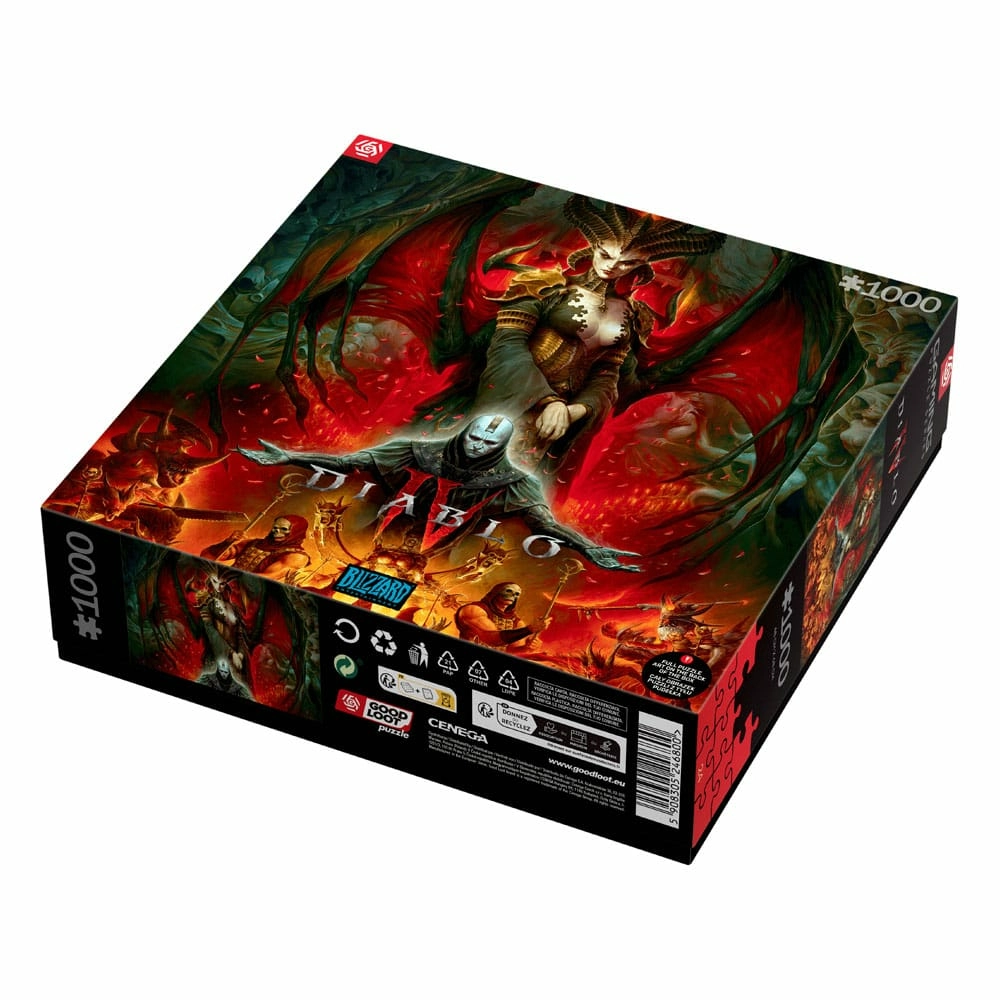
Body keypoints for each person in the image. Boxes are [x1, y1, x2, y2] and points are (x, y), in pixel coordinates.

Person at [474, 194, 724, 478]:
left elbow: (607, 374)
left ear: (642, 265)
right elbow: (506, 346)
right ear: (594, 246)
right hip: (509, 399)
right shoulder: (543, 286)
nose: (613, 266)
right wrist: (548, 401)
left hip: (560, 424)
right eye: (606, 254)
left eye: (628, 263)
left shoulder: (632, 315)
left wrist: (577, 410)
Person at [238, 414, 639, 572]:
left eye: (489, 442)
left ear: (500, 446)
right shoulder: (413, 450)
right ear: (465, 433)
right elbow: (349, 463)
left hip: (436, 560)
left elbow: (544, 525)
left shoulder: (514, 482)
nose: (478, 445)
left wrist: (588, 549)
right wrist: (289, 457)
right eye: (475, 437)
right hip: (370, 542)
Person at [202, 514, 310, 581]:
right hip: (225, 583)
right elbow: (207, 556)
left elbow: (266, 578)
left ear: (296, 532)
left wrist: (226, 577)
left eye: (284, 529)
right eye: (275, 528)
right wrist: (227, 542)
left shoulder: (297, 557)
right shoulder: (253, 543)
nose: (277, 531)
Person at [455, 582, 549, 648]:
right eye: (509, 591)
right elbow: (492, 640)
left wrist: (528, 647)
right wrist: (529, 630)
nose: (513, 595)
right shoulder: (474, 610)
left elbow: (513, 652)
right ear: (496, 592)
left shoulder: (516, 621)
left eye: (517, 594)